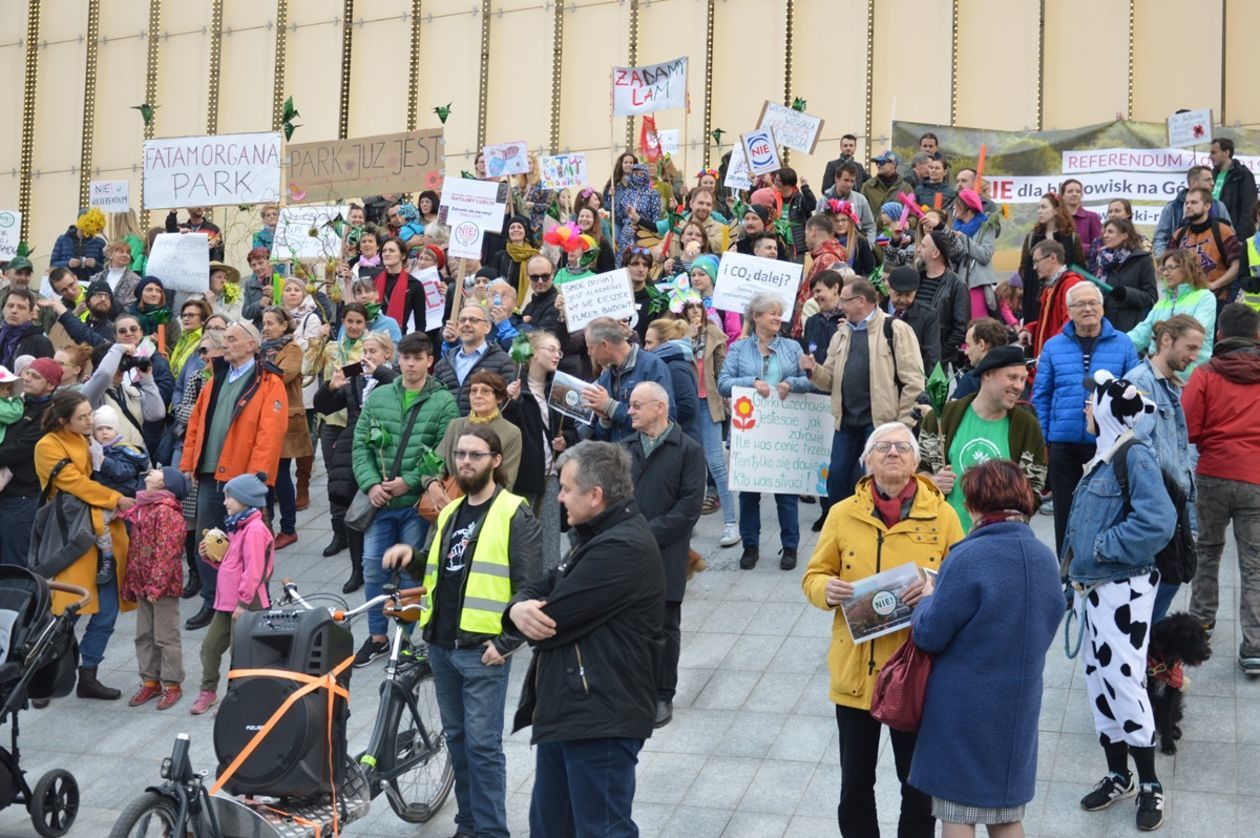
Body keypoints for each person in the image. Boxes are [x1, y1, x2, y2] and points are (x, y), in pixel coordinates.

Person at [802, 421, 964, 838]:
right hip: (856, 674)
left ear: (915, 461)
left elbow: (962, 584)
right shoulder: (841, 514)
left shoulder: (943, 516)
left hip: (915, 673)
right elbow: (813, 577)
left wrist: (934, 587)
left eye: (902, 447)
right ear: (867, 460)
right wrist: (827, 589)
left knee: (917, 787)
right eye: (883, 447)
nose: (893, 453)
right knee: (855, 787)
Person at [381, 426, 541, 838]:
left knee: (483, 749)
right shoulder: (450, 511)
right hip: (441, 646)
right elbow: (440, 570)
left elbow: (531, 589)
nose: (466, 462)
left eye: (475, 455)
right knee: (456, 739)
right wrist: (411, 557)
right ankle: (468, 824)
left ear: (495, 460)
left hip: (482, 650)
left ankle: (490, 831)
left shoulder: (514, 511)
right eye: (461, 455)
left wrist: (505, 644)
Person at [505, 441, 664, 837]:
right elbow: (543, 584)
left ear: (595, 496)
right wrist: (515, 609)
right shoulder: (593, 535)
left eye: (565, 488)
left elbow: (552, 617)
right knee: (549, 827)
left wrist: (524, 611)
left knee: (602, 829)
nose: (558, 497)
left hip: (601, 715)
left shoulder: (621, 547)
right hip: (569, 711)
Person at [909, 460, 1063, 838]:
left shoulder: (968, 557)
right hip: (1018, 702)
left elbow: (929, 633)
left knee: (957, 811)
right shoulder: (1044, 558)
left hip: (964, 703)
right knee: (1007, 813)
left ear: (976, 505)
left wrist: (927, 599)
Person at [1063, 370, 1174, 832]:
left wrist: (1103, 548)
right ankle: (1118, 774)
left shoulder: (1134, 456)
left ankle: (1150, 785)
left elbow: (1158, 522)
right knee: (1098, 679)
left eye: (1091, 404)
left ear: (1108, 409)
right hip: (1094, 589)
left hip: (1122, 588)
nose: (1086, 410)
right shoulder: (1104, 457)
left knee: (1124, 680)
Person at [352, 331, 459, 667]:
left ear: (430, 361)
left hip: (415, 504)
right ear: (398, 360)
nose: (411, 364)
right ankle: (377, 637)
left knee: (412, 571)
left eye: (418, 358)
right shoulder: (380, 396)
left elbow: (441, 454)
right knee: (372, 567)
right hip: (380, 502)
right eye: (406, 358)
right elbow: (360, 446)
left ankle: (406, 639)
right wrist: (371, 484)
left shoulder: (444, 402)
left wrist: (409, 482)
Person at [179, 322, 287, 631]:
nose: (224, 344)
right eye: (224, 339)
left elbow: (270, 434)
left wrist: (256, 481)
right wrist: (189, 462)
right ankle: (212, 602)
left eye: (231, 339)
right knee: (208, 539)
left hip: (241, 479)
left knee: (248, 546)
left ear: (252, 345)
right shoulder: (217, 377)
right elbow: (196, 424)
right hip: (210, 472)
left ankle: (251, 601)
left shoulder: (268, 382)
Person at [35, 390, 137, 700]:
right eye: (82, 417)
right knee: (67, 613)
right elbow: (75, 484)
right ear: (63, 420)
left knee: (106, 611)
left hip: (95, 532)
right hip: (71, 535)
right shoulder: (47, 446)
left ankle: (88, 676)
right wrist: (114, 498)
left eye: (90, 414)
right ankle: (41, 678)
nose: (90, 420)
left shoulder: (81, 438)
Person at [801, 278, 925, 520]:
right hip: (846, 421)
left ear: (861, 301)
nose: (841, 306)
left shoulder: (895, 329)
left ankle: (880, 527)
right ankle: (841, 526)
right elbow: (829, 380)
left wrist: (901, 425)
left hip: (881, 422)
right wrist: (813, 370)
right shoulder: (842, 333)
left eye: (845, 300)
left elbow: (914, 382)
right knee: (836, 478)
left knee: (878, 481)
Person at [1032, 281, 1140, 555]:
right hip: (1064, 445)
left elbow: (1134, 394)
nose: (1088, 308)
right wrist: (1044, 440)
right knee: (1065, 515)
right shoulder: (1054, 346)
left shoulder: (1124, 343)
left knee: (1106, 512)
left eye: (1093, 302)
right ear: (1069, 311)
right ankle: (1066, 576)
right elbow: (1041, 397)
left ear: (1103, 307)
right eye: (1080, 304)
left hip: (1109, 445)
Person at [621, 381, 706, 728]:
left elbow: (689, 508)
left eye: (636, 405)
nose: (629, 411)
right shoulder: (624, 448)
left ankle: (662, 694)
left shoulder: (688, 449)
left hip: (666, 553)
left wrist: (646, 534)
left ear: (659, 407)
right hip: (626, 552)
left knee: (664, 625)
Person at [1183, 303, 1260, 673]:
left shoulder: (1205, 373)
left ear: (1219, 335)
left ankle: (1200, 625)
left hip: (1213, 473)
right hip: (1256, 478)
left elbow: (1190, 429)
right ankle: (1255, 647)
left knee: (1207, 551)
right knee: (1255, 564)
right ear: (1258, 336)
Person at [718, 294, 813, 569]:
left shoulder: (793, 347)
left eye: (778, 313)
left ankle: (791, 546)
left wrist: (791, 384)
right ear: (756, 317)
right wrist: (752, 381)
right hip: (750, 431)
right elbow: (723, 383)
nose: (776, 318)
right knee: (749, 492)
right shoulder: (738, 349)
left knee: (785, 490)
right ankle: (750, 545)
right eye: (771, 313)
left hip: (782, 428)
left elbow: (809, 381)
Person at [1126, 315, 1204, 623]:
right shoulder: (1140, 383)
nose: (1195, 356)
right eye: (1190, 347)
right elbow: (1136, 451)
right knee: (1163, 582)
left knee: (1172, 576)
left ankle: (1150, 656)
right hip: (1157, 505)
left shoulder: (1173, 385)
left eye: (1198, 348)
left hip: (1175, 502)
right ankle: (1147, 656)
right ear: (1167, 340)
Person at [919, 344, 1047, 525]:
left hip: (998, 541)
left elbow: (1034, 490)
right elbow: (916, 472)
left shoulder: (1027, 426)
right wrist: (933, 481)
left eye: (1022, 379)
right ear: (987, 374)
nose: (1019, 386)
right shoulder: (940, 418)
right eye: (1012, 377)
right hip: (942, 537)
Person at [313, 330, 396, 594]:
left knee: (384, 509)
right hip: (354, 449)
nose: (367, 357)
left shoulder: (393, 377)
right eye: (365, 352)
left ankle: (388, 567)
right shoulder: (356, 380)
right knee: (353, 509)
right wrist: (330, 387)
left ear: (387, 354)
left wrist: (379, 371)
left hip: (386, 450)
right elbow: (324, 407)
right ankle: (357, 569)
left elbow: (400, 387)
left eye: (373, 352)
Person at [190, 471, 276, 716]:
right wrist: (211, 558)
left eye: (229, 496)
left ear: (245, 499)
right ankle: (209, 691)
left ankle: (237, 698)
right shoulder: (238, 527)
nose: (225, 501)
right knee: (209, 648)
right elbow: (233, 566)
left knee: (241, 656)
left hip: (246, 604)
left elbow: (255, 571)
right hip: (228, 603)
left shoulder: (255, 530)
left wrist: (243, 603)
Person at [119, 467, 190, 711]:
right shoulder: (143, 507)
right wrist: (133, 582)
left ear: (165, 484)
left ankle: (172, 684)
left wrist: (156, 585)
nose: (151, 471)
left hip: (162, 587)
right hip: (142, 583)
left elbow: (167, 553)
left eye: (158, 472)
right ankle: (150, 680)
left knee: (166, 636)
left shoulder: (166, 512)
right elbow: (136, 551)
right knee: (144, 634)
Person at [259, 307, 311, 551]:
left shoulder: (293, 349)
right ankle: (266, 526)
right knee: (265, 477)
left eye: (272, 323)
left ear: (284, 326)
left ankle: (288, 529)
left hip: (286, 420)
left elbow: (284, 375)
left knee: (279, 476)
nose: (267, 327)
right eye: (264, 322)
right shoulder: (260, 350)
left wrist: (257, 369)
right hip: (264, 421)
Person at [0, 359, 59, 566]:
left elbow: (21, 449)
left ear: (51, 385)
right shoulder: (16, 404)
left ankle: (16, 598)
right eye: (27, 373)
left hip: (21, 497)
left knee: (13, 562)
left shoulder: (49, 414)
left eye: (36, 376)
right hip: (4, 492)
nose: (27, 378)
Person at [583, 316, 675, 443]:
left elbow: (666, 419)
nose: (589, 353)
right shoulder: (605, 379)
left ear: (605, 345)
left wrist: (611, 407)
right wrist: (605, 420)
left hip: (649, 458)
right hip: (619, 459)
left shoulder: (651, 366)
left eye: (591, 347)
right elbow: (603, 438)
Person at [430, 370, 523, 495]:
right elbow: (434, 462)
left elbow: (507, 480)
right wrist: (432, 484)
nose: (478, 396)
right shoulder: (455, 425)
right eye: (473, 391)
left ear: (499, 398)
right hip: (449, 500)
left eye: (485, 391)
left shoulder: (511, 432)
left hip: (487, 505)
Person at [1129, 248, 1216, 369]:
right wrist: (1117, 344)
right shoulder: (1162, 303)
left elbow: (1195, 331)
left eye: (1171, 267)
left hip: (1189, 375)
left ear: (1187, 269)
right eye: (1164, 269)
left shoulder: (1205, 297)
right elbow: (1140, 334)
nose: (1165, 273)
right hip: (1158, 372)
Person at [434, 303, 517, 416]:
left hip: (483, 430)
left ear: (487, 327)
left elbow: (509, 403)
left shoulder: (503, 362)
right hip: (448, 431)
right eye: (462, 320)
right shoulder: (443, 364)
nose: (466, 324)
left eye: (473, 320)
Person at [1018, 192, 1085, 324]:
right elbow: (1023, 267)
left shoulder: (1071, 238)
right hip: (1034, 297)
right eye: (1038, 207)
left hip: (1062, 296)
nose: (1039, 211)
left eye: (1044, 207)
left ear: (1056, 210)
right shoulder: (1032, 237)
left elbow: (1080, 267)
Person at [1019, 239, 1085, 361]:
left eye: (1037, 261)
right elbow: (1050, 323)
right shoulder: (1052, 286)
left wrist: (1051, 352)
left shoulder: (1070, 284)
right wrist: (1031, 329)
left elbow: (1070, 324)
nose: (1034, 267)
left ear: (1053, 258)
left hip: (1060, 359)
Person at [916, 229, 971, 368]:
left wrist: (939, 356)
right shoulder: (916, 279)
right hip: (911, 357)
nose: (918, 250)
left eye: (923, 246)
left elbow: (961, 328)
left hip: (937, 362)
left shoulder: (957, 285)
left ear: (935, 253)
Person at [1152, 165, 1231, 258]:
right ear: (1193, 182)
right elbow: (1160, 239)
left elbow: (1230, 236)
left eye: (1212, 179)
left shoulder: (1219, 206)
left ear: (1207, 206)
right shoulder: (1172, 208)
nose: (1212, 183)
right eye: (1207, 180)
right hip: (1180, 266)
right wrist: (1164, 263)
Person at [1095, 218, 1157, 332]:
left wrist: (1126, 293)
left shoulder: (1142, 259)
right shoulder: (1101, 260)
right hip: (1104, 324)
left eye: (1110, 232)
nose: (1105, 235)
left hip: (1131, 327)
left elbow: (1151, 298)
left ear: (1124, 235)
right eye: (1104, 232)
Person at [950, 189, 999, 321]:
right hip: (959, 284)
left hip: (976, 285)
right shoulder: (956, 228)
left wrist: (964, 239)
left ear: (967, 207)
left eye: (957, 204)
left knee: (976, 325)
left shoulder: (986, 226)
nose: (954, 207)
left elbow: (985, 255)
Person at [886, 267, 942, 373]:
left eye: (908, 295)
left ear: (915, 292)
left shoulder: (928, 316)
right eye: (898, 294)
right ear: (888, 289)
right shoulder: (876, 311)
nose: (902, 300)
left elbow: (932, 355)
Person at [1209, 137, 1257, 243]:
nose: (1210, 157)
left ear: (1226, 153)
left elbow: (1249, 209)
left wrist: (1239, 238)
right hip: (1213, 236)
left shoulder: (1243, 175)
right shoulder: (1212, 175)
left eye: (1214, 153)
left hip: (1234, 237)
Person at [950, 317, 1010, 401]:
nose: (966, 352)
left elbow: (952, 413)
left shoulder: (971, 379)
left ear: (982, 345)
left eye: (968, 345)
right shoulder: (1014, 378)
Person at [50, 209, 107, 285]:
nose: (89, 227)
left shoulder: (99, 242)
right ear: (80, 221)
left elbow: (106, 269)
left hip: (90, 285)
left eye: (92, 224)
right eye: (88, 223)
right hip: (66, 285)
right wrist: (68, 264)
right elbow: (53, 264)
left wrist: (95, 264)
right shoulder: (62, 239)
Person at [0, 289, 54, 368]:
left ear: (30, 315)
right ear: (3, 310)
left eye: (21, 308)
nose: (14, 311)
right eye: (10, 306)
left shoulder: (41, 343)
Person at [774, 167, 817, 260]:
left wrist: (805, 187)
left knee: (796, 273)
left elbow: (812, 205)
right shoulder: (775, 198)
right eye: (775, 179)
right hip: (780, 245)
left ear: (788, 183)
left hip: (796, 246)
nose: (775, 183)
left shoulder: (799, 199)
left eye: (779, 180)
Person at [90, 240, 141, 309]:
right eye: (121, 252)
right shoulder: (97, 277)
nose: (125, 255)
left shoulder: (135, 280)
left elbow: (131, 306)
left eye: (128, 253)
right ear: (110, 255)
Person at [861, 150, 912, 219]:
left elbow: (913, 214)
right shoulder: (867, 187)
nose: (878, 165)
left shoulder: (906, 188)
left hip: (897, 229)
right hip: (874, 229)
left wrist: (908, 223)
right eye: (877, 163)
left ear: (893, 164)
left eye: (882, 162)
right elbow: (861, 213)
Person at [1060, 178, 1101, 250]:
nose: (1074, 194)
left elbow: (1098, 246)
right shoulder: (1057, 218)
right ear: (1063, 196)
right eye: (1070, 191)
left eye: (1078, 191)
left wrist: (1075, 246)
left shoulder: (1092, 217)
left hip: (1085, 260)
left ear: (1081, 195)